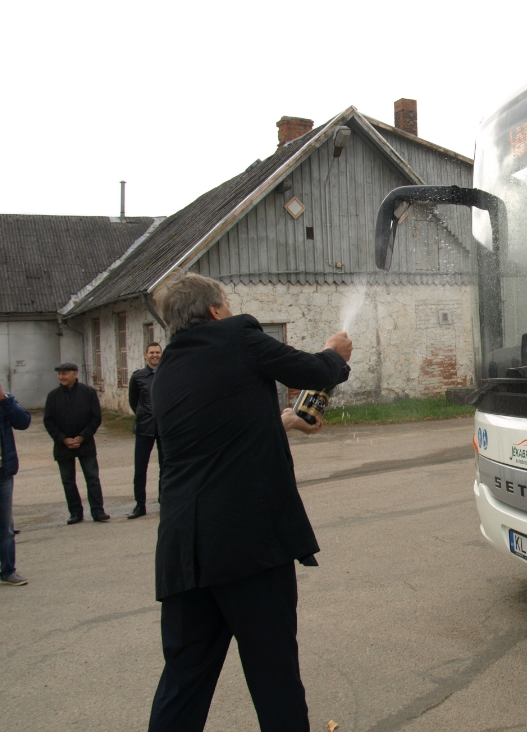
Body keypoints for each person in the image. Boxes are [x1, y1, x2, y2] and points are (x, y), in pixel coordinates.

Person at [147, 273, 352, 732]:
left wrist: (284, 421)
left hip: (184, 553)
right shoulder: (236, 336)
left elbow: (213, 438)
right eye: (227, 300)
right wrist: (335, 357)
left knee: (184, 681)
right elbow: (314, 371)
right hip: (247, 546)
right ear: (216, 310)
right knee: (274, 675)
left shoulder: (167, 373)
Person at [43, 363, 110, 524]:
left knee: (92, 478)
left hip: (85, 443)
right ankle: (75, 512)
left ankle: (98, 511)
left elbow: (96, 418)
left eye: (64, 374)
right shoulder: (53, 396)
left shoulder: (88, 393)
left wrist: (82, 437)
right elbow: (48, 421)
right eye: (59, 374)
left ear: (74, 374)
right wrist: (62, 439)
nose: (61, 377)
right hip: (63, 446)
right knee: (68, 480)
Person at [0, 366, 31, 585]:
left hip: (0, 472)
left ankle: (8, 571)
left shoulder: (2, 401)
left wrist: (2, 398)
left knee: (5, 527)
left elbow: (23, 422)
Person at [127, 342, 163, 519]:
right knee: (140, 468)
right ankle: (140, 505)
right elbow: (134, 401)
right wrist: (143, 415)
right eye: (152, 352)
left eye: (157, 352)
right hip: (144, 428)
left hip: (164, 428)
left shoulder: (167, 374)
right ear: (145, 355)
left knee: (166, 467)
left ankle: (164, 501)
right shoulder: (138, 377)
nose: (155, 355)